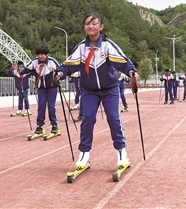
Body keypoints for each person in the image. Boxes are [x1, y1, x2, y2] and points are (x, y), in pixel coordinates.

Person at [55, 13, 138, 170]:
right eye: (87, 24)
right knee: (88, 119)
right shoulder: (81, 48)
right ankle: (84, 154)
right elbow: (68, 65)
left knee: (113, 118)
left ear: (101, 27)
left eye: (94, 23)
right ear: (84, 27)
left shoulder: (108, 45)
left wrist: (132, 71)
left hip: (110, 89)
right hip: (89, 90)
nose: (90, 26)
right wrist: (60, 72)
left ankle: (122, 152)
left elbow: (123, 62)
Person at [21, 45, 60, 135]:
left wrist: (59, 75)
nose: (40, 56)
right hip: (41, 88)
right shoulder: (34, 62)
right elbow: (27, 69)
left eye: (42, 54)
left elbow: (60, 70)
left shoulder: (52, 62)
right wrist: (21, 71)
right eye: (38, 54)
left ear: (47, 54)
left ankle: (54, 125)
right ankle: (39, 126)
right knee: (41, 106)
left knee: (51, 106)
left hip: (52, 88)